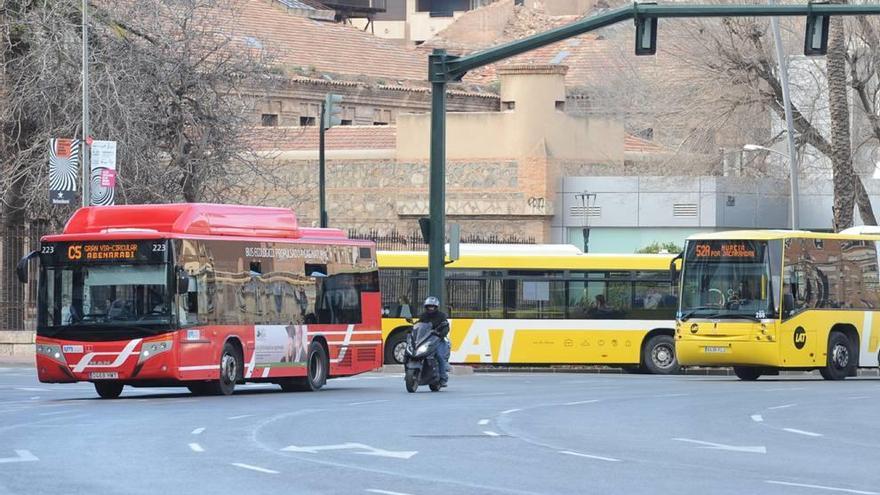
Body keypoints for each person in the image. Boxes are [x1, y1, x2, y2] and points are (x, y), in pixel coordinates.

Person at [418, 296, 450, 387]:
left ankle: (443, 378)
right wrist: (412, 329)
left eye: (432, 306)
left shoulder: (441, 316)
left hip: (438, 339)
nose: (430, 308)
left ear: (436, 307)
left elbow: (446, 327)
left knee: (439, 355)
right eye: (429, 306)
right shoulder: (423, 316)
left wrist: (441, 334)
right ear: (426, 307)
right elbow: (418, 324)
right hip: (426, 339)